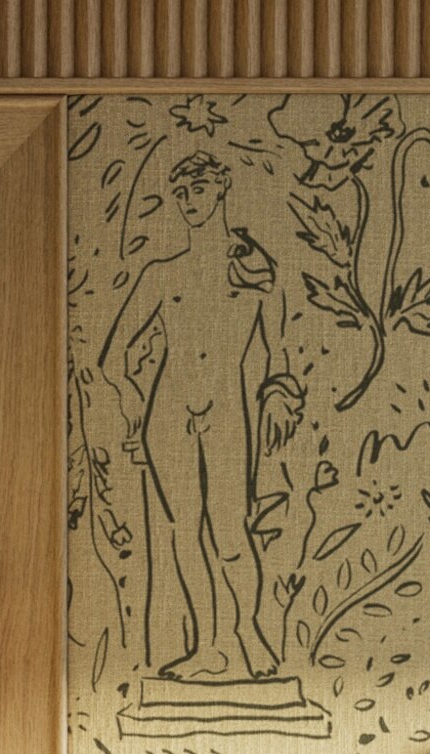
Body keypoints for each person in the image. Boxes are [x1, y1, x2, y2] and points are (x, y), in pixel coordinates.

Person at [99, 150, 304, 681]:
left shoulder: (254, 271)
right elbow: (115, 355)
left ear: (221, 191)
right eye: (183, 193)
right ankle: (208, 646)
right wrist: (132, 404)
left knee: (232, 529)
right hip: (167, 412)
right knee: (184, 530)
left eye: (200, 190)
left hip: (226, 408)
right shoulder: (164, 273)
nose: (191, 201)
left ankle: (249, 633)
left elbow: (279, 354)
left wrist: (279, 396)